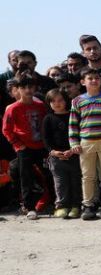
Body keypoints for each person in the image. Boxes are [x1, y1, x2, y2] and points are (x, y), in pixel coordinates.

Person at [69, 67, 101, 220]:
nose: (93, 80)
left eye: (96, 78)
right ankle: (88, 205)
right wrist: (74, 142)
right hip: (86, 143)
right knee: (88, 176)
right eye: (90, 78)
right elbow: (73, 124)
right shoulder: (77, 101)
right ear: (82, 82)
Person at [2, 75, 47, 219]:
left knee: (48, 174)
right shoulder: (13, 108)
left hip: (41, 146)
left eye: (30, 87)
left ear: (35, 88)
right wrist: (18, 145)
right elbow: (6, 129)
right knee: (25, 177)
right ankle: (29, 207)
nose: (27, 90)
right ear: (17, 89)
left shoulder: (41, 105)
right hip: (24, 148)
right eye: (23, 87)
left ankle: (52, 201)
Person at [42, 89, 81, 219]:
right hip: (56, 156)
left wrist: (72, 150)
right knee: (60, 182)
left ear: (66, 101)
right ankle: (62, 206)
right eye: (53, 101)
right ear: (48, 103)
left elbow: (79, 133)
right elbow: (45, 139)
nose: (57, 103)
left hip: (74, 153)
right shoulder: (48, 118)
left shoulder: (73, 115)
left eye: (60, 100)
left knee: (76, 180)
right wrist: (53, 151)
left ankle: (76, 206)